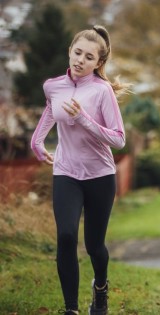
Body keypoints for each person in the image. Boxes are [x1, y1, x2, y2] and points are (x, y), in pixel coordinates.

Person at [30, 25, 130, 315]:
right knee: (66, 236)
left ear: (98, 63)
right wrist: (37, 142)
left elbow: (119, 139)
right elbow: (52, 110)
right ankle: (71, 309)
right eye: (77, 53)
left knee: (94, 245)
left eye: (89, 57)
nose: (80, 60)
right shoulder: (53, 86)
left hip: (100, 176)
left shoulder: (102, 92)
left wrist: (85, 119)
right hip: (66, 172)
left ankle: (100, 287)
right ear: (69, 51)